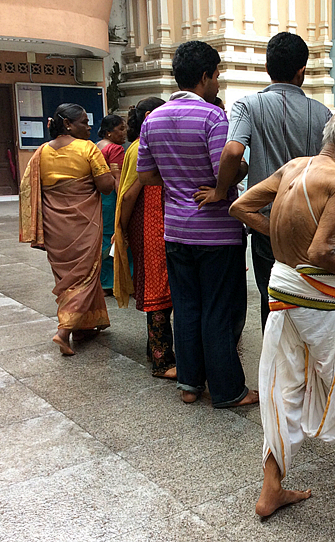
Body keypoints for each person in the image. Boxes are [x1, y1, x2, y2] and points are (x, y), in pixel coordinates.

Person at [230, 106, 335, 518]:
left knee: (282, 387)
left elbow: (240, 208)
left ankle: (271, 490)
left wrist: (283, 233)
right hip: (318, 299)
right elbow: (322, 251)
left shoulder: (293, 166)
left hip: (283, 290)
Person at [137, 41, 257, 408]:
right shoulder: (211, 117)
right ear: (204, 76)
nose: (218, 83)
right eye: (217, 75)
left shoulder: (152, 119)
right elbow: (229, 163)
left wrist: (177, 183)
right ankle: (227, 391)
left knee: (187, 307)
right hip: (217, 232)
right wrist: (222, 189)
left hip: (175, 230)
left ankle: (189, 384)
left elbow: (145, 177)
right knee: (218, 309)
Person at [194, 32, 332, 332]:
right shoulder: (323, 114)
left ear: (268, 68)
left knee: (273, 302)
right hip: (311, 227)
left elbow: (232, 151)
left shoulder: (248, 105)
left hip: (266, 225)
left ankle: (276, 370)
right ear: (302, 71)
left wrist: (220, 191)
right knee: (310, 301)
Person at [19, 103, 116, 355]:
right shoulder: (87, 149)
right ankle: (64, 331)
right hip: (83, 224)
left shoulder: (40, 152)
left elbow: (29, 188)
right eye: (84, 122)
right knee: (84, 275)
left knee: (68, 277)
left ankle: (84, 326)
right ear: (68, 124)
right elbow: (106, 186)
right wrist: (114, 173)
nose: (89, 126)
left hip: (54, 225)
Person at [113, 97, 177, 379]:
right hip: (151, 223)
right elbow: (128, 194)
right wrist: (123, 229)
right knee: (158, 289)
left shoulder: (138, 146)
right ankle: (162, 361)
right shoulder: (143, 147)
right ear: (151, 116)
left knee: (159, 285)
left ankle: (155, 349)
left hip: (151, 222)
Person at [96, 114, 127, 295]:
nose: (124, 133)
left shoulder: (96, 146)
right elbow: (118, 179)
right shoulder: (115, 149)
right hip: (111, 198)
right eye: (120, 129)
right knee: (115, 235)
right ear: (109, 132)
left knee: (102, 237)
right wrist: (122, 202)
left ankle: (101, 280)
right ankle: (111, 282)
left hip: (99, 197)